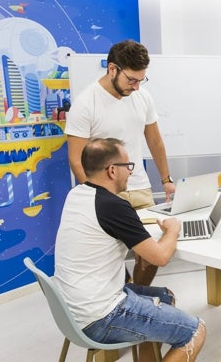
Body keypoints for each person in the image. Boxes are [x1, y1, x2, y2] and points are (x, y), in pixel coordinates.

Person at [54, 138, 206, 362]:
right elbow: (161, 257)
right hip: (100, 316)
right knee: (195, 330)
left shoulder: (76, 194)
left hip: (72, 310)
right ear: (112, 170)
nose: (131, 173)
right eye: (129, 166)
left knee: (165, 297)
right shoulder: (113, 206)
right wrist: (172, 230)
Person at [65, 39, 175, 286]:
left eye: (141, 80)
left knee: (150, 255)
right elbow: (75, 158)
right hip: (106, 193)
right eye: (131, 80)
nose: (136, 87)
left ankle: (137, 296)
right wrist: (99, 198)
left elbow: (155, 141)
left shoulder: (142, 97)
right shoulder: (85, 104)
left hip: (139, 187)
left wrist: (166, 180)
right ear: (112, 69)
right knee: (110, 256)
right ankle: (124, 300)